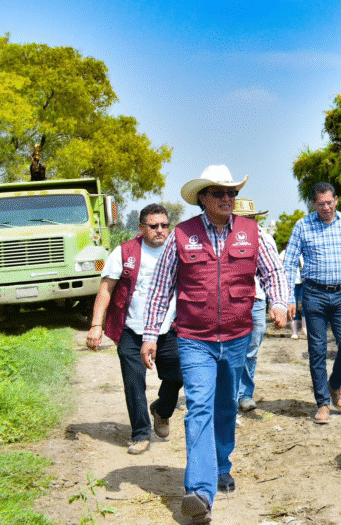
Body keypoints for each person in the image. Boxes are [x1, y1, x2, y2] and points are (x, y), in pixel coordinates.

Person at [141, 165, 288, 524]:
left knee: (225, 406)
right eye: (219, 193)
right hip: (194, 338)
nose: (227, 199)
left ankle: (222, 465)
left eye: (232, 193)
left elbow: (273, 272)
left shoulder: (254, 233)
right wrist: (149, 334)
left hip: (238, 336)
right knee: (200, 408)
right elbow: (161, 288)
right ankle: (199, 491)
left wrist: (279, 302)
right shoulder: (181, 236)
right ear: (203, 198)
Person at [86, 203, 183, 455]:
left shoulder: (177, 250)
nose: (160, 230)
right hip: (132, 329)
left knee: (177, 376)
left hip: (168, 328)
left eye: (164, 225)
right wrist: (97, 325)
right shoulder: (124, 252)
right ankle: (141, 434)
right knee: (133, 383)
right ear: (142, 227)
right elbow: (106, 289)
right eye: (153, 226)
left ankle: (161, 411)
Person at [282, 182, 341, 424]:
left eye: (330, 202)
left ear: (336, 200)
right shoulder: (303, 225)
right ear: (313, 203)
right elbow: (289, 263)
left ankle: (335, 384)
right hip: (314, 293)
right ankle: (322, 403)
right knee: (316, 350)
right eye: (321, 204)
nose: (326, 207)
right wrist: (289, 298)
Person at [231, 198, 275, 413]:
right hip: (232, 301)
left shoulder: (264, 239)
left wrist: (279, 303)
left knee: (251, 349)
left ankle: (245, 393)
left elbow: (274, 272)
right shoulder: (225, 239)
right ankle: (230, 394)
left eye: (250, 218)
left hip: (257, 300)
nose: (247, 221)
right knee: (231, 349)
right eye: (243, 218)